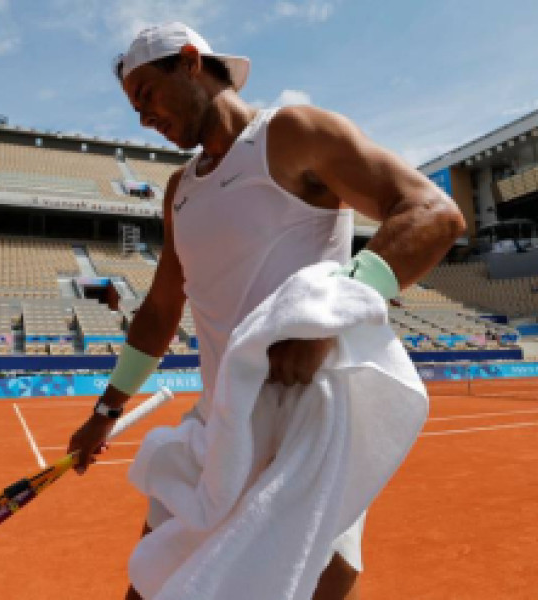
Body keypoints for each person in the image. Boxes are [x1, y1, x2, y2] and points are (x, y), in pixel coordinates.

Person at [66, 22, 465, 600]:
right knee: (152, 583)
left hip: (303, 426)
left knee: (312, 586)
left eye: (147, 94)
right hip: (218, 423)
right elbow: (159, 310)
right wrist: (107, 409)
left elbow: (432, 211)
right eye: (135, 107)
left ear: (188, 62)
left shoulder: (292, 133)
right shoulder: (180, 191)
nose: (143, 116)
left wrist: (330, 316)